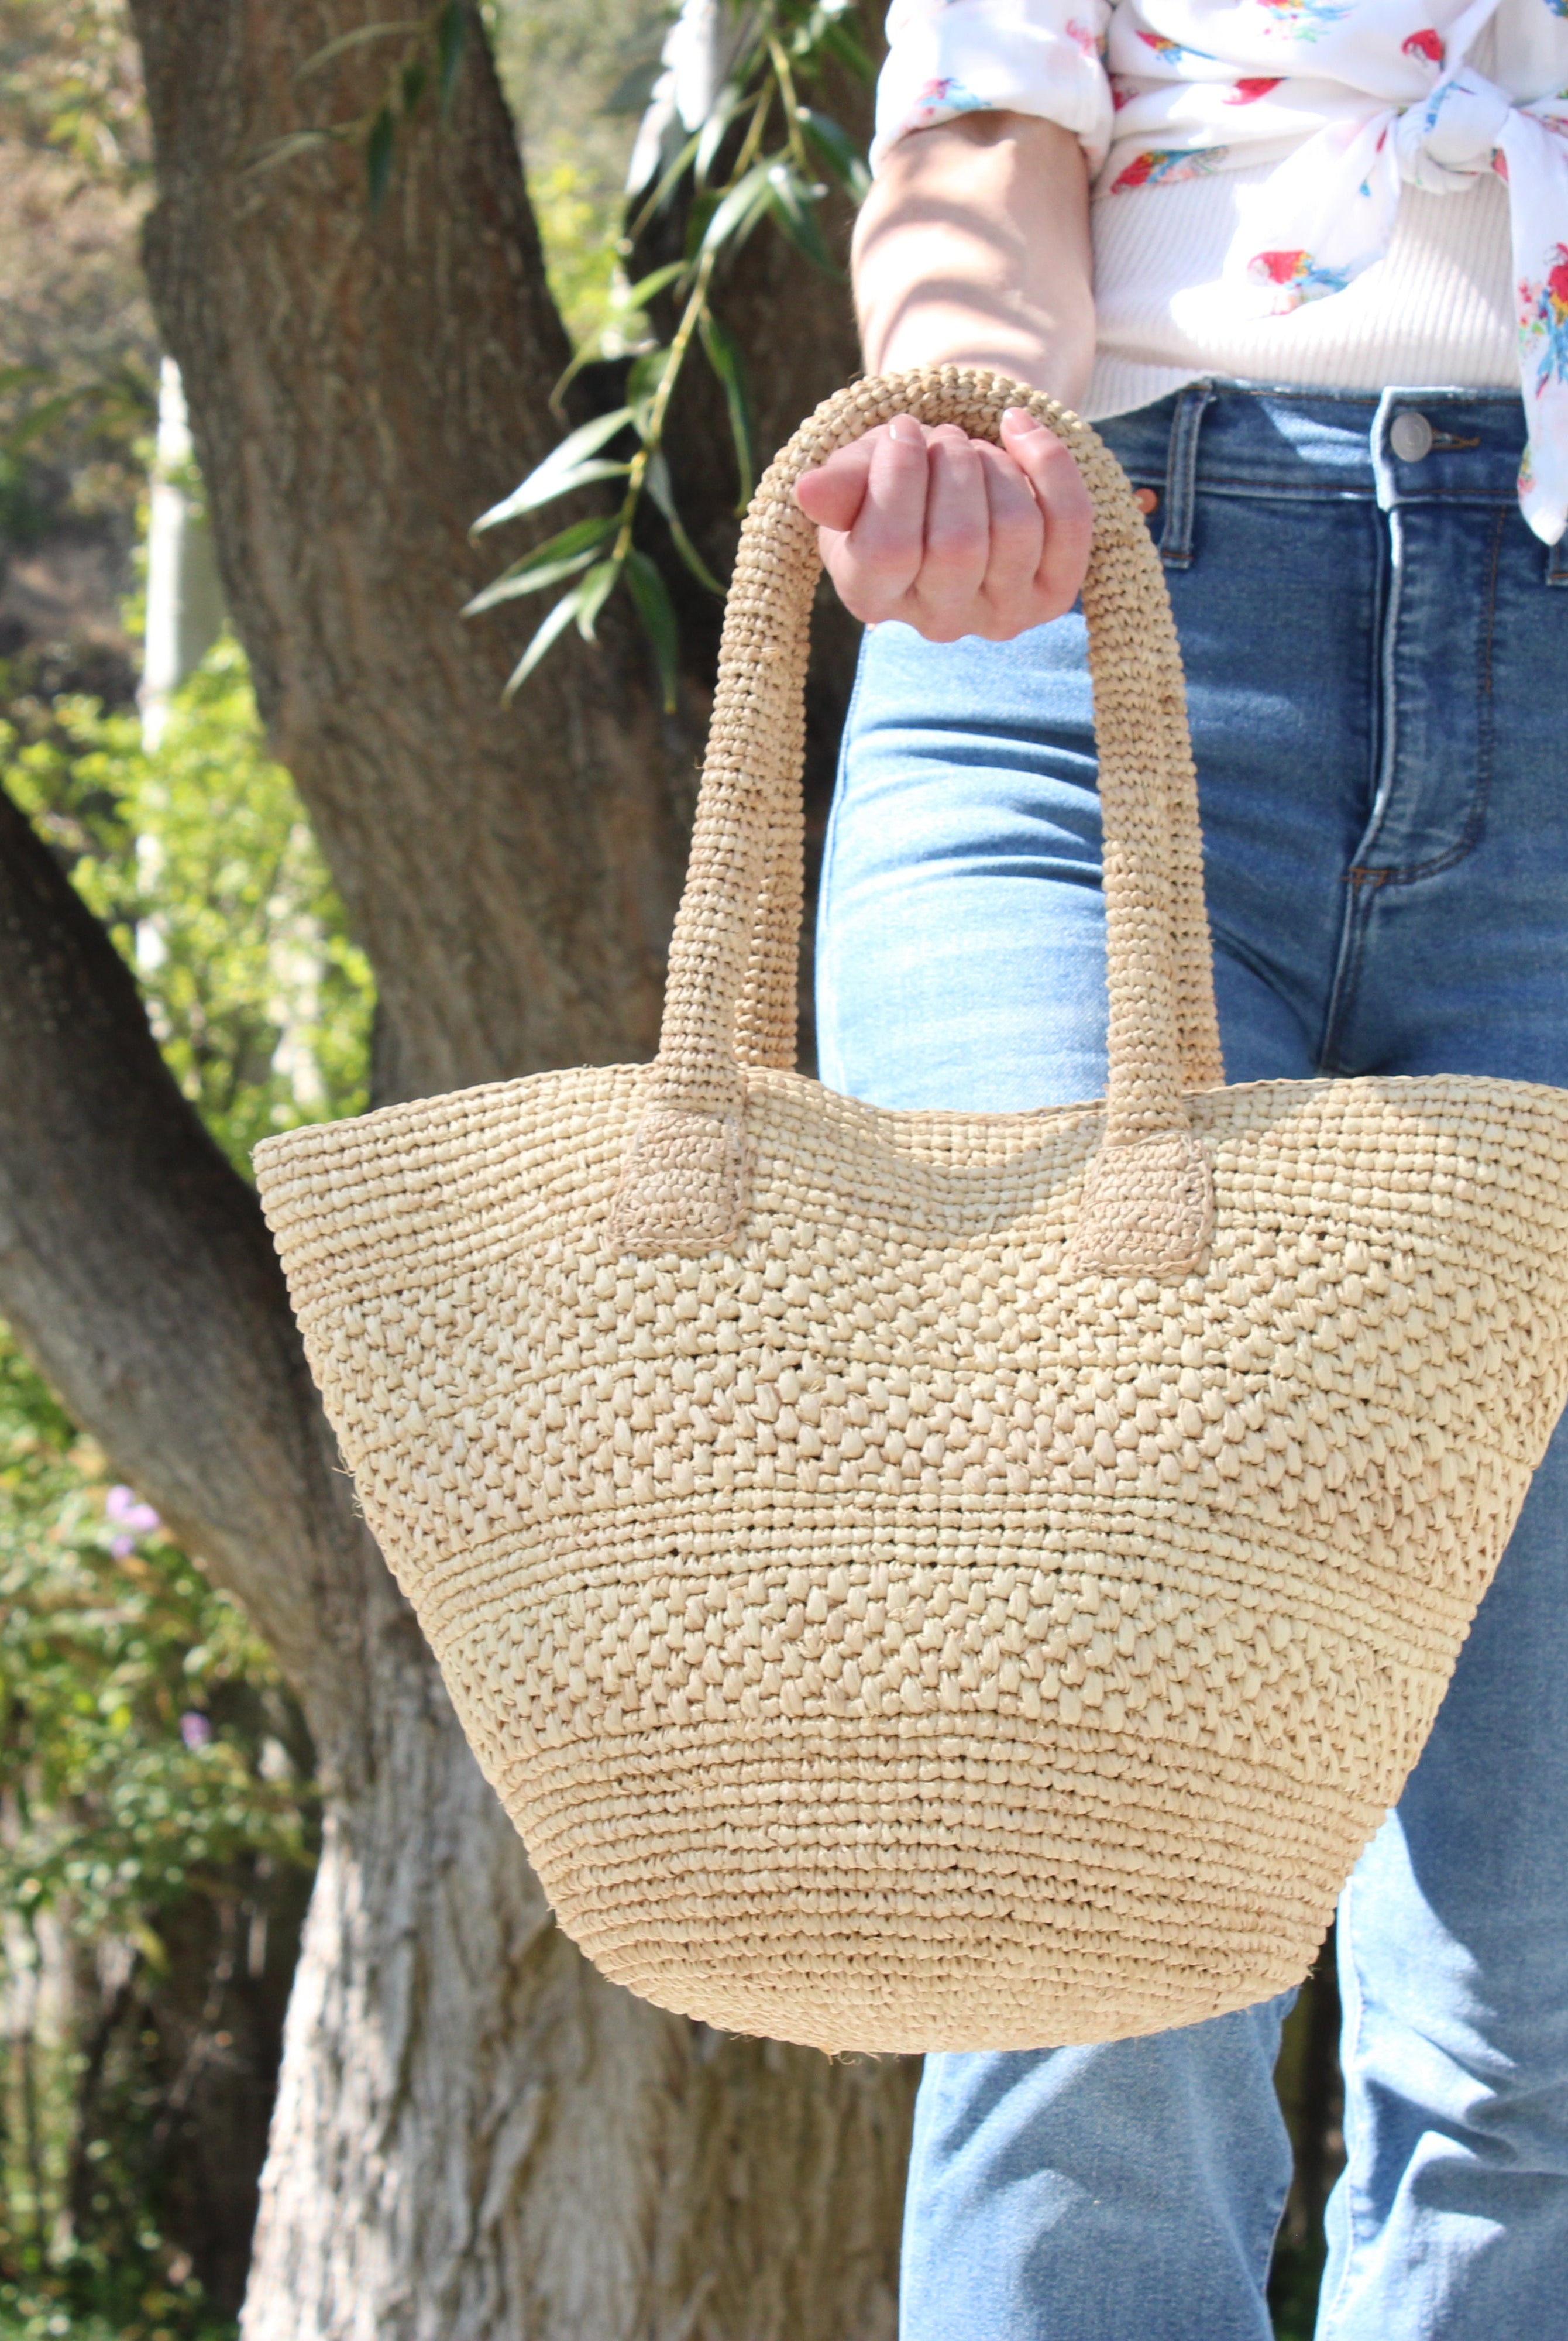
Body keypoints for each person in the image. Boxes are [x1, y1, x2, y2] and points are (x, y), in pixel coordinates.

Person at [793, 2, 1568, 2334]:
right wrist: (961, 417)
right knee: (1092, 1894)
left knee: (1536, 2008)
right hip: (1089, 632)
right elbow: (982, 132)